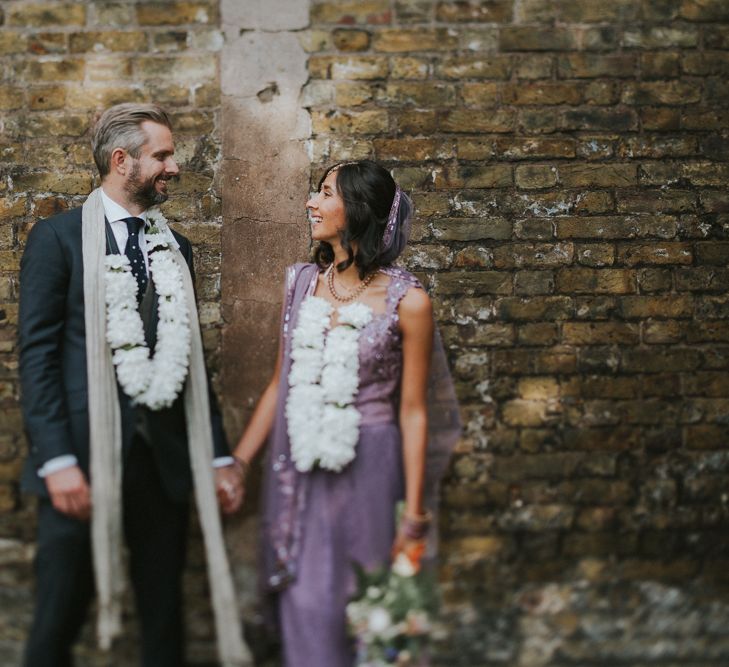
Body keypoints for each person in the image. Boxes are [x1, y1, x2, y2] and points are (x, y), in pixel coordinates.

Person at [18, 103, 248, 666]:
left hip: (160, 459)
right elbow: (38, 356)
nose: (174, 166)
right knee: (58, 617)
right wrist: (56, 461)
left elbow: (192, 361)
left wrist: (217, 456)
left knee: (164, 618)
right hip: (81, 459)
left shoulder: (178, 249)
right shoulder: (59, 239)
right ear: (122, 161)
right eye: (162, 155)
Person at [231, 160, 461, 665]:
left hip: (373, 471)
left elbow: (415, 412)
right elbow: (280, 384)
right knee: (307, 599)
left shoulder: (410, 301)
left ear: (356, 209)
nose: (312, 202)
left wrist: (416, 512)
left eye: (325, 193)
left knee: (368, 602)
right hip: (305, 473)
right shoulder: (299, 285)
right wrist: (240, 462)